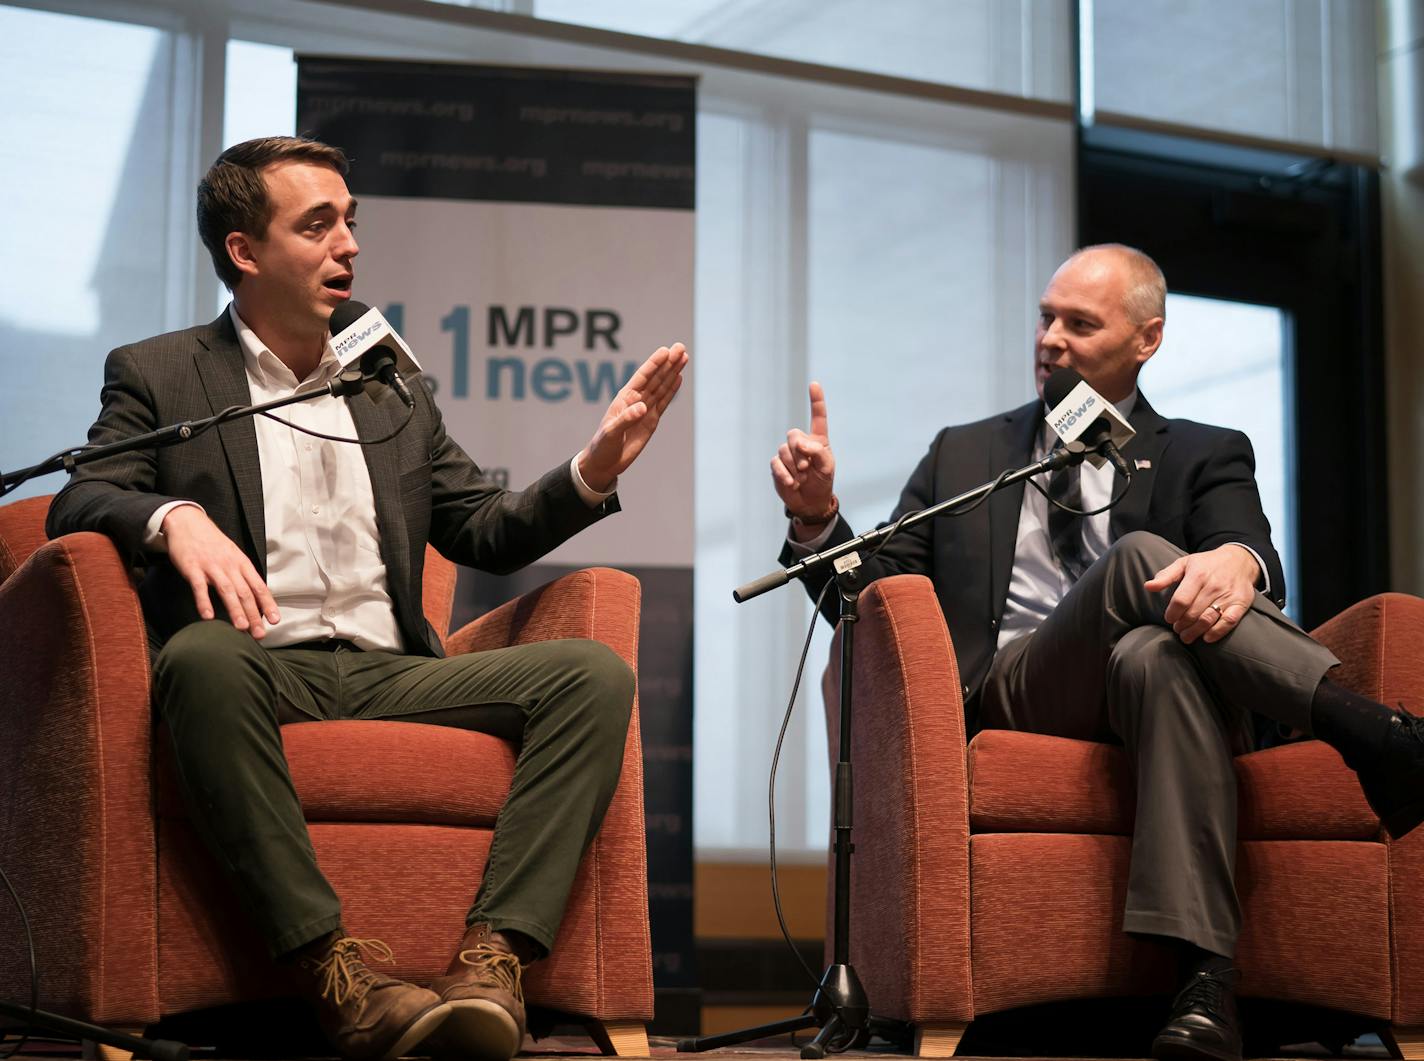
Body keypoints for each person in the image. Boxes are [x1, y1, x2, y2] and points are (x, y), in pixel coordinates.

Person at [46, 136, 688, 1061]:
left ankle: (492, 961)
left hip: (394, 672)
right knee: (197, 658)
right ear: (245, 251)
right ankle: (337, 974)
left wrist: (594, 467)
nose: (349, 244)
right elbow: (82, 492)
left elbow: (485, 529)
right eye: (319, 224)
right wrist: (172, 515)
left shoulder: (392, 389)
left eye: (353, 222)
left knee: (590, 675)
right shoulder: (163, 373)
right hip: (258, 665)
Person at [770, 244, 1423, 1061]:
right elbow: (869, 611)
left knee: (1152, 655)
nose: (1051, 338)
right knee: (1141, 559)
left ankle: (1206, 987)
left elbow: (1250, 556)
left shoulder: (1201, 449)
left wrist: (1238, 562)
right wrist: (818, 521)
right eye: (1046, 317)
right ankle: (1367, 729)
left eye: (1080, 323)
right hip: (1016, 689)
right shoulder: (965, 455)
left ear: (1146, 339)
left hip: (1162, 695)